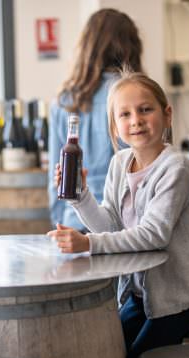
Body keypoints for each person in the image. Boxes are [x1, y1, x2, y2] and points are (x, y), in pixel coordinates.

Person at [47, 72, 189, 358]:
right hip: (140, 296)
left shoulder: (175, 169)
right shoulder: (120, 163)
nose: (135, 120)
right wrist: (80, 197)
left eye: (145, 110)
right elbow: (111, 226)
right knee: (109, 356)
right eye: (124, 114)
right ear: (114, 126)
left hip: (178, 300)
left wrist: (88, 244)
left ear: (166, 114)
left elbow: (153, 235)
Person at [48, 8, 142, 232]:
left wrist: (60, 221)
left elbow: (56, 175)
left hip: (74, 223)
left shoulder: (63, 101)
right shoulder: (137, 97)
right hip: (126, 226)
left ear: (87, 48)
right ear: (131, 47)